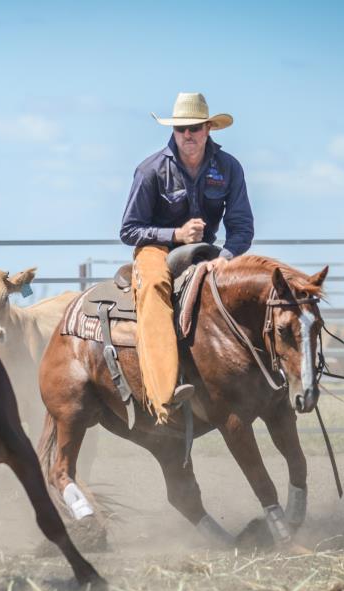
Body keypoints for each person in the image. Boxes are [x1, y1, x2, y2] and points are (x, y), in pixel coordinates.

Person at [119, 92, 255, 425]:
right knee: (154, 287)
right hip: (155, 249)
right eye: (181, 128)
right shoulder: (151, 170)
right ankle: (163, 393)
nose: (188, 134)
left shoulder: (229, 167)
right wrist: (176, 235)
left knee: (248, 288)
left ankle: (257, 381)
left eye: (195, 127)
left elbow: (242, 226)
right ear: (174, 131)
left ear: (208, 128)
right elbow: (129, 230)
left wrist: (226, 257)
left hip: (207, 251)